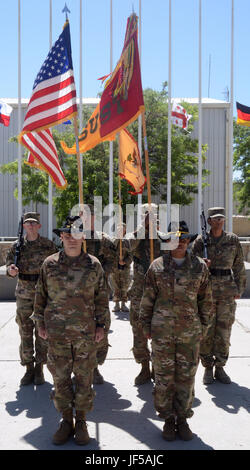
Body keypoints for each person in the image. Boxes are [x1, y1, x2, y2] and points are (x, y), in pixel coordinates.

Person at [31, 216, 110, 445]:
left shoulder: (94, 265)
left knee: (84, 379)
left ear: (83, 237)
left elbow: (102, 298)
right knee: (60, 379)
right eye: (67, 236)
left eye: (76, 235)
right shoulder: (50, 264)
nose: (72, 239)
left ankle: (82, 420)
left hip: (86, 334)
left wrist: (102, 326)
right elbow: (40, 296)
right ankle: (66, 420)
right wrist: (40, 324)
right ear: (62, 238)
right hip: (57, 334)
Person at [139, 221, 213, 441]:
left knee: (186, 378)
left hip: (189, 333)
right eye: (174, 238)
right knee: (163, 379)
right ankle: (168, 419)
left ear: (188, 240)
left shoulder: (200, 267)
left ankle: (182, 418)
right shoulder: (157, 266)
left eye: (183, 238)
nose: (179, 242)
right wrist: (145, 326)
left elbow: (206, 300)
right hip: (162, 333)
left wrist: (204, 326)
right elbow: (147, 299)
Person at [192, 207, 246, 385]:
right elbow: (190, 264)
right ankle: (207, 367)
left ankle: (220, 367)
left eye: (221, 218)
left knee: (224, 331)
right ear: (209, 222)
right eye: (215, 219)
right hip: (206, 291)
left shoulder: (232, 239)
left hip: (227, 291)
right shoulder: (201, 241)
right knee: (206, 330)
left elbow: (238, 266)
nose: (219, 221)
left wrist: (239, 288)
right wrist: (202, 263)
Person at [6, 212, 57, 386]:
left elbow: (57, 265)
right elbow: (8, 265)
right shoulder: (17, 245)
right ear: (24, 226)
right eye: (28, 223)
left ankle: (39, 368)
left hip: (43, 292)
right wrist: (11, 270)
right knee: (25, 331)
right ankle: (28, 368)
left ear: (39, 226)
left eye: (34, 223)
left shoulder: (48, 245)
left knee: (42, 331)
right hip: (24, 293)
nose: (31, 226)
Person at [128, 203, 163, 385]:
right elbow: (126, 247)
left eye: (153, 214)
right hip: (139, 295)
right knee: (139, 332)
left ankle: (157, 368)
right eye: (146, 214)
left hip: (160, 296)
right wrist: (142, 228)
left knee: (159, 333)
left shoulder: (164, 239)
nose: (150, 217)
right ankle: (143, 367)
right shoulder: (135, 237)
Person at [82, 204, 116, 384]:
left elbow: (113, 261)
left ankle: (95, 367)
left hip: (99, 294)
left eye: (90, 216)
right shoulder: (74, 238)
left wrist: (98, 273)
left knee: (100, 332)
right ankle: (80, 370)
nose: (87, 220)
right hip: (77, 298)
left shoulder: (104, 241)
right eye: (84, 216)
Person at [109, 222, 133, 312]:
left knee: (124, 285)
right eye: (118, 229)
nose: (120, 230)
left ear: (125, 230)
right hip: (114, 267)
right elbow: (109, 252)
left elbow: (131, 255)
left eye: (122, 229)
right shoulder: (112, 240)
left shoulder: (127, 241)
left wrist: (125, 262)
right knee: (115, 286)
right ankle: (116, 304)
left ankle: (123, 304)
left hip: (124, 267)